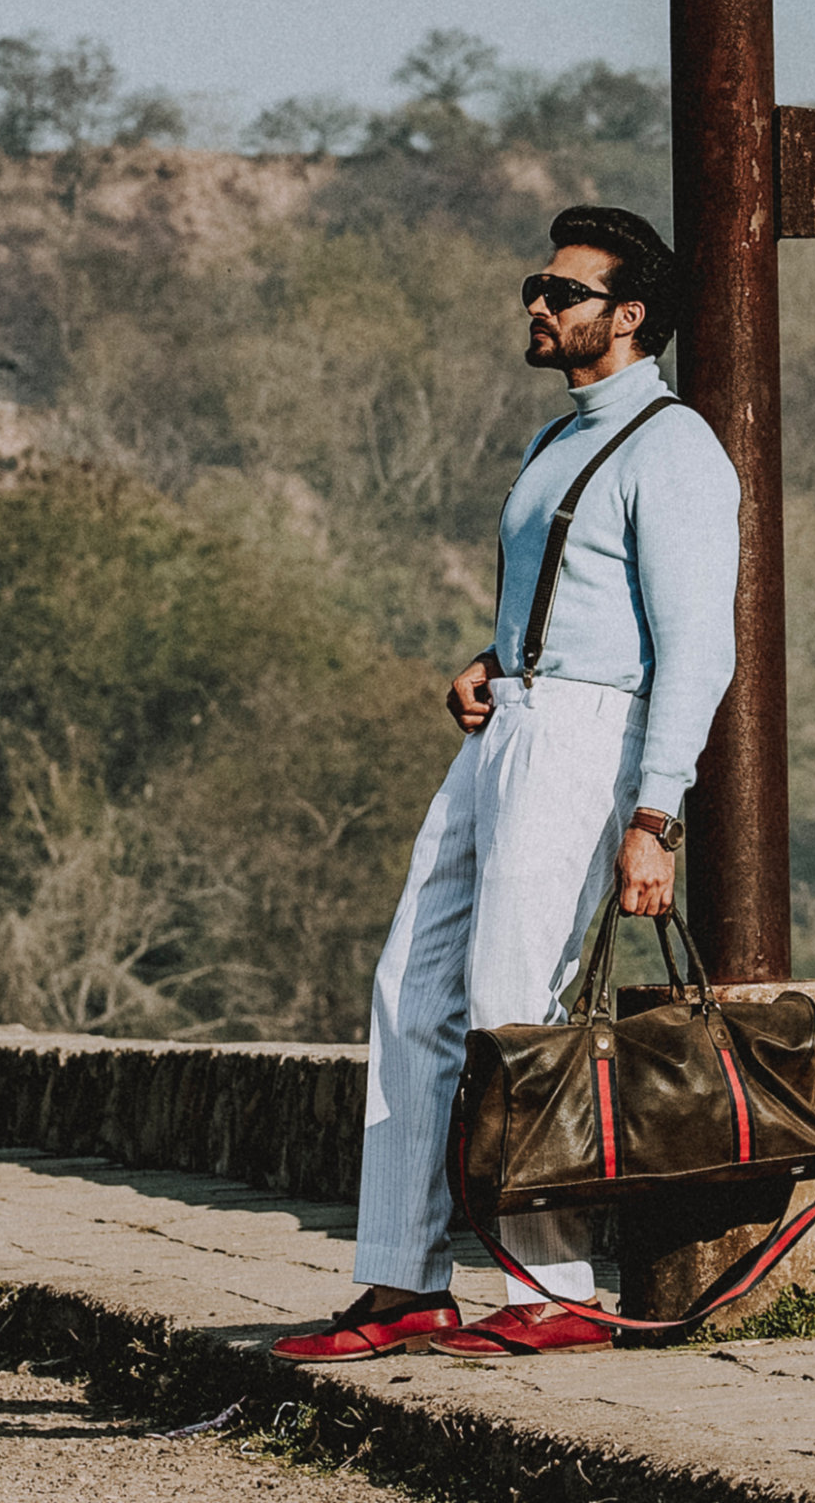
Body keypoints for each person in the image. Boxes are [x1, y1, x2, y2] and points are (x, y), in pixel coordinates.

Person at [272, 205, 740, 1362]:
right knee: (408, 986)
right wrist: (492, 662)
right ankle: (402, 1278)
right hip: (512, 724)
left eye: (561, 291)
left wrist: (655, 813)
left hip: (588, 735)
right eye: (538, 285)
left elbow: (695, 648)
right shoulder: (554, 439)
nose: (537, 302)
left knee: (513, 999)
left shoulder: (673, 445)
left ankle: (558, 1282)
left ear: (627, 316)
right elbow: (569, 599)